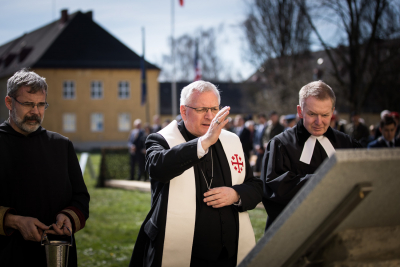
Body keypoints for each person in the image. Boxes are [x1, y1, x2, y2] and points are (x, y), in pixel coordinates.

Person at [129, 80, 262, 267]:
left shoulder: (232, 141)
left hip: (230, 254)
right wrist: (203, 143)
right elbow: (157, 168)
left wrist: (236, 194)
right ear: (184, 111)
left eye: (214, 109)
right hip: (186, 254)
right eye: (201, 110)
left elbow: (255, 186)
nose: (210, 117)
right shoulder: (161, 140)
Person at [0, 69, 90, 266]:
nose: (35, 112)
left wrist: (67, 217)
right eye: (28, 104)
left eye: (41, 105)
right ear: (9, 103)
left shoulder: (61, 145)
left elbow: (81, 198)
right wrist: (13, 221)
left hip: (55, 256)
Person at [261, 81, 361, 230]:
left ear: (332, 112)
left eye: (325, 115)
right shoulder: (280, 144)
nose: (319, 122)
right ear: (300, 111)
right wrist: (325, 180)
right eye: (312, 114)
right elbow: (274, 190)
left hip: (336, 227)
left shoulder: (345, 142)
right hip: (294, 230)